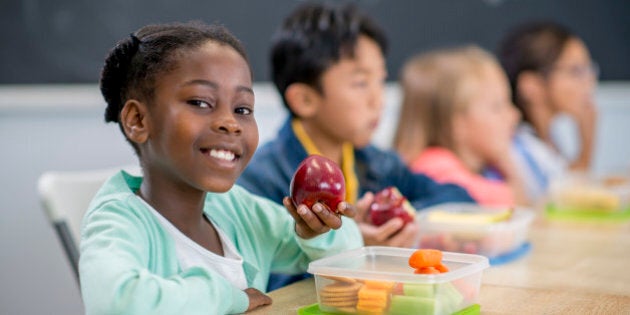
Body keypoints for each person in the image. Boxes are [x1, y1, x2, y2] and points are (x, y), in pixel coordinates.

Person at [79, 21, 363, 314]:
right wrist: (228, 296)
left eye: (242, 109)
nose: (230, 122)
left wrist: (318, 232)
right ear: (138, 120)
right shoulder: (117, 222)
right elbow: (119, 303)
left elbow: (350, 259)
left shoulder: (238, 211)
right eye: (200, 102)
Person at [237, 2, 474, 290]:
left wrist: (391, 215)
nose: (379, 100)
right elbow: (267, 284)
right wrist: (352, 248)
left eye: (381, 81)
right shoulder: (260, 180)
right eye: (361, 83)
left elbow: (456, 196)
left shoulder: (374, 161)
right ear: (305, 100)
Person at [393, 46, 526, 206]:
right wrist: (508, 165)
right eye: (497, 107)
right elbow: (508, 203)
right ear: (456, 124)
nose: (514, 115)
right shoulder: (434, 165)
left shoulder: (482, 168)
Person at [498, 21, 598, 203]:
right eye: (576, 71)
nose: (588, 82)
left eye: (588, 69)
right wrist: (587, 145)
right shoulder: (518, 148)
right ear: (531, 85)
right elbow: (562, 205)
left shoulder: (547, 138)